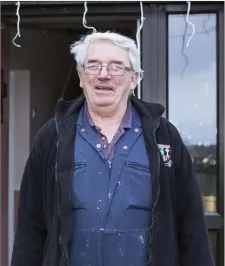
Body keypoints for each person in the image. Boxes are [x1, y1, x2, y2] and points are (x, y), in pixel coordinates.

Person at [11, 31, 215, 266]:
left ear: (134, 79)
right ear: (80, 76)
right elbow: (30, 228)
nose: (104, 75)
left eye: (116, 66)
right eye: (93, 66)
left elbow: (191, 227)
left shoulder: (165, 137)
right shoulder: (51, 137)